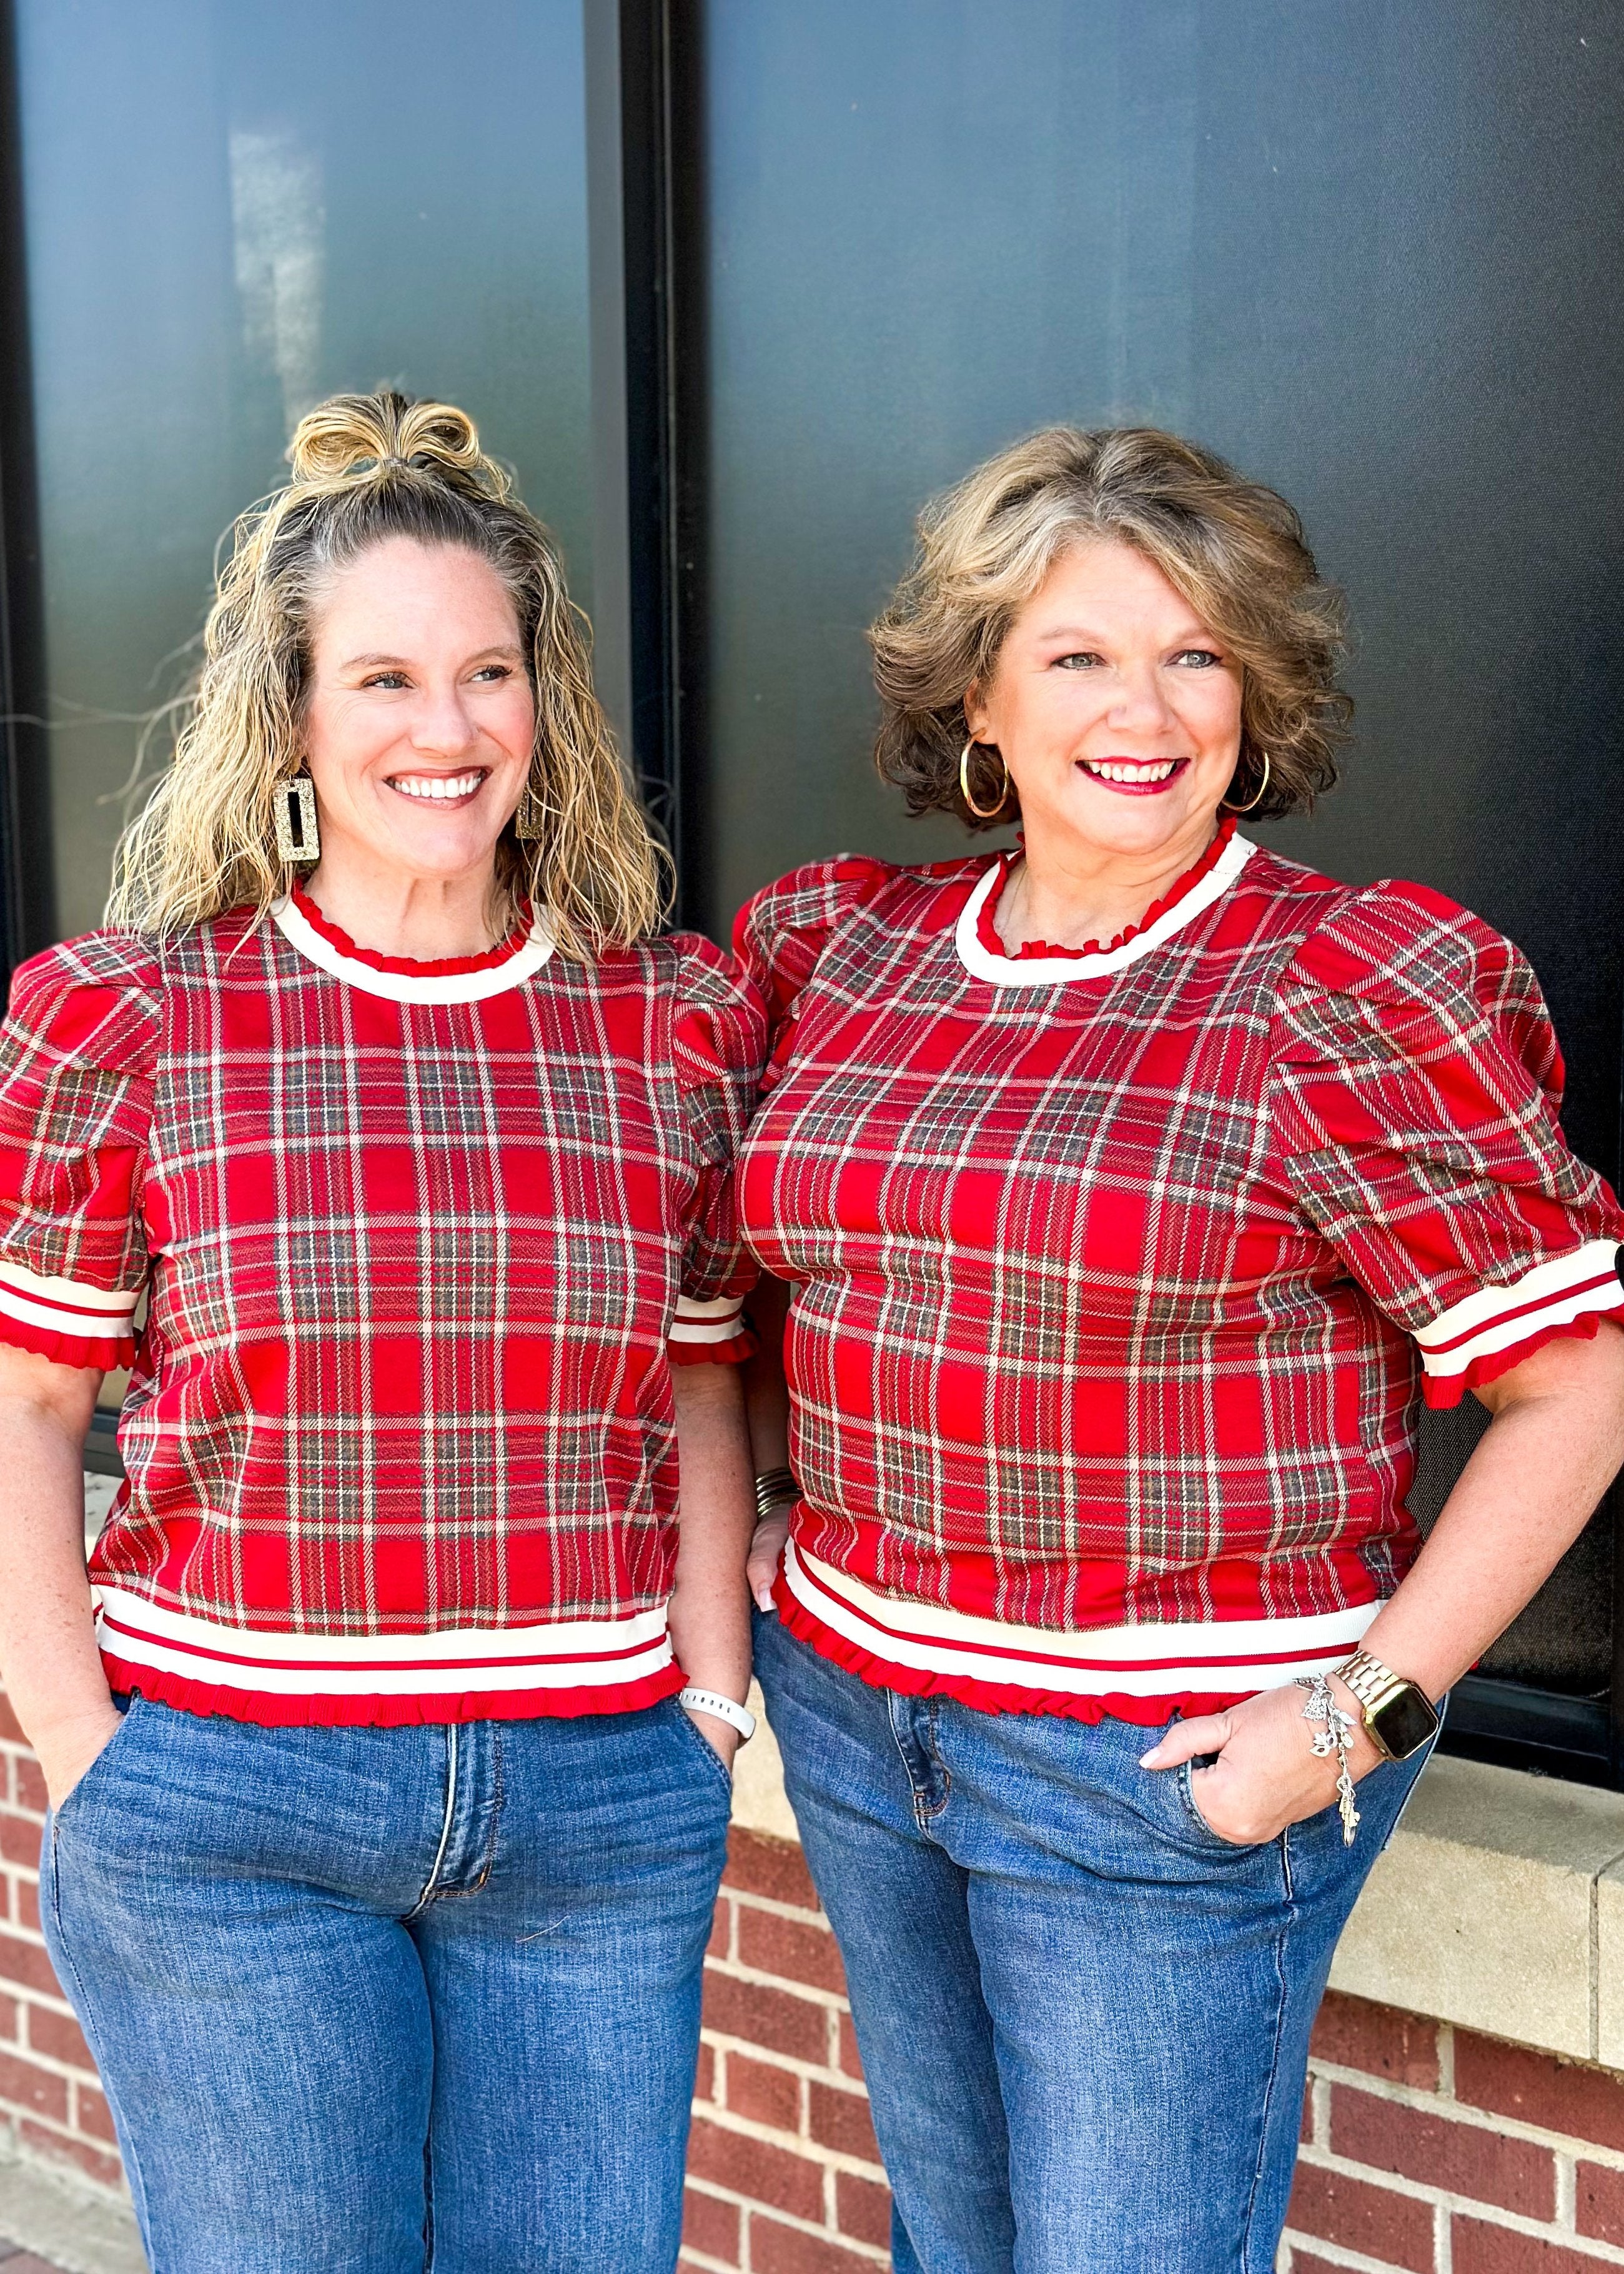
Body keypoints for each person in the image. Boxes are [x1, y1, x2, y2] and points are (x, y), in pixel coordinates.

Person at [734, 426, 1624, 2274]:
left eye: (1197, 652)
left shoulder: (1339, 992)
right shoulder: (852, 953)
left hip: (1157, 1765)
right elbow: (772, 1277)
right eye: (1075, 654)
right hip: (855, 1709)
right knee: (954, 2248)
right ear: (977, 699)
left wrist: (1355, 1716)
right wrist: (776, 1517)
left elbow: (1575, 1389)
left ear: (1258, 689)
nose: (1145, 706)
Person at [0, 390, 764, 2273]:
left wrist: (710, 1700)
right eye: (385, 681)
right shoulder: (129, 1022)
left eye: (486, 674)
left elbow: (701, 1378)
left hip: (594, 1806)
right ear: (293, 716)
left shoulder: (667, 1022)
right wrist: (84, 1756)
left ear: (542, 700)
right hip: (230, 1797)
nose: (446, 731)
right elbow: (28, 1409)